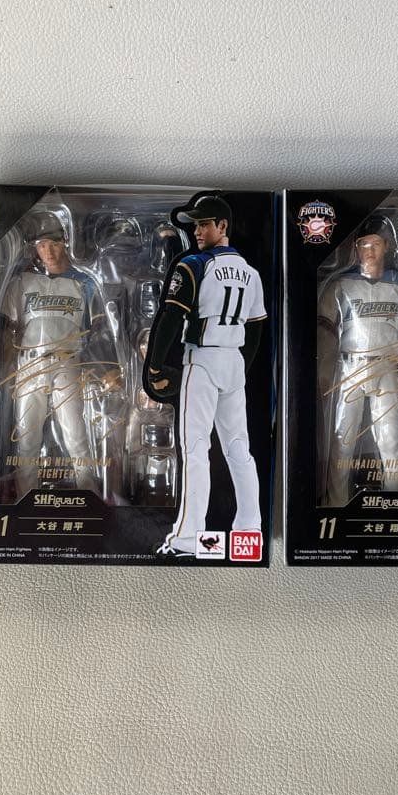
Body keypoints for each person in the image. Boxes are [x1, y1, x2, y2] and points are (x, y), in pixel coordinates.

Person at [144, 194, 266, 559]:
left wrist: (154, 366)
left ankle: (187, 537)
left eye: (204, 224)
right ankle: (250, 528)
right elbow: (256, 328)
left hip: (202, 360)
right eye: (195, 225)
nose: (197, 231)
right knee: (238, 447)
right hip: (233, 361)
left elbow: (169, 318)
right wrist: (242, 368)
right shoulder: (250, 272)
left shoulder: (195, 265)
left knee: (196, 448)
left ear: (222, 226)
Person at [317, 214, 398, 506]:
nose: (369, 250)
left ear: (387, 245)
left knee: (392, 443)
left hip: (388, 365)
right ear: (356, 248)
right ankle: (335, 507)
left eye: (375, 243)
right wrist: (322, 370)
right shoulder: (341, 284)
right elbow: (324, 331)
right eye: (363, 244)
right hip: (350, 366)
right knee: (341, 443)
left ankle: (396, 503)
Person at [0, 215, 116, 498]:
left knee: (76, 435)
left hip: (67, 362)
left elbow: (100, 331)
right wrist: (3, 365)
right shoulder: (22, 282)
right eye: (42, 245)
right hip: (30, 362)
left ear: (66, 243)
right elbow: (5, 328)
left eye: (54, 243)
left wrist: (108, 368)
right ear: (34, 249)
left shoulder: (84, 282)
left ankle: (89, 495)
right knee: (27, 439)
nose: (48, 251)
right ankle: (26, 499)